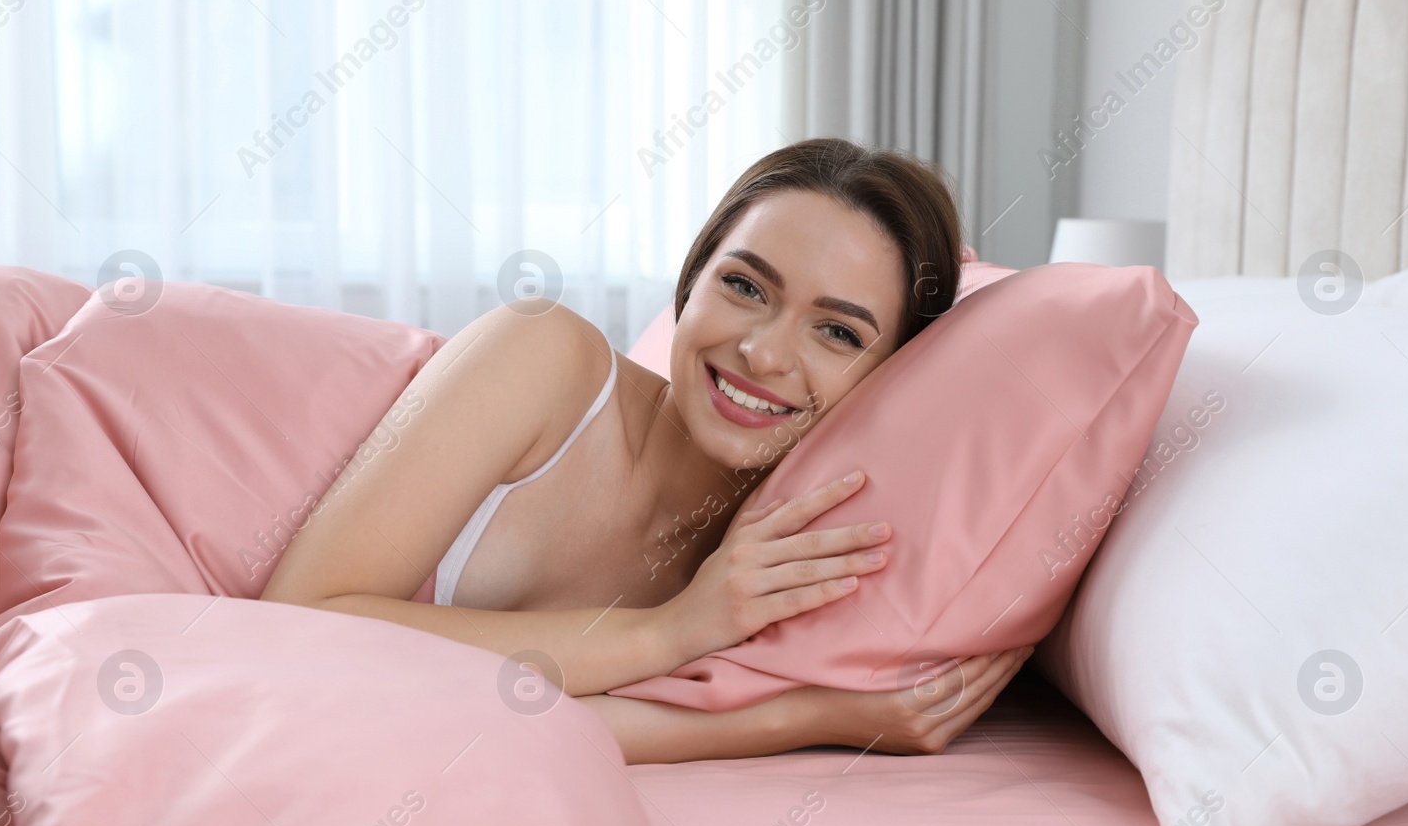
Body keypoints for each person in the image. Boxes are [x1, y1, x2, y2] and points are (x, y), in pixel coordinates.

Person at [262, 137, 1032, 763]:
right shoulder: (543, 354)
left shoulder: (785, 554)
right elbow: (301, 624)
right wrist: (677, 632)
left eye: (837, 331)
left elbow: (527, 725)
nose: (763, 353)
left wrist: (815, 711)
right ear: (689, 287)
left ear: (891, 379)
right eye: (745, 287)